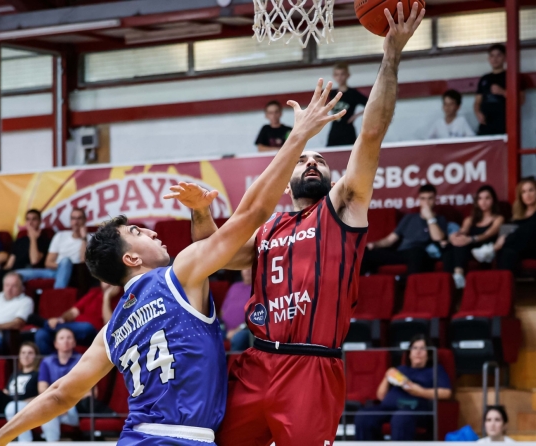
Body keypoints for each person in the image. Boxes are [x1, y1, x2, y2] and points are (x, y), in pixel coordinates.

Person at [0, 74, 346, 445]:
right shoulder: (178, 276)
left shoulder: (112, 330)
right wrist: (298, 135)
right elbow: (251, 214)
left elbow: (60, 394)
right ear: (132, 257)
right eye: (138, 233)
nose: (153, 232)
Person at [180, 6, 425, 445]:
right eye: (305, 159)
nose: (312, 162)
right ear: (288, 175)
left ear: (331, 179)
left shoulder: (343, 208)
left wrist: (391, 53)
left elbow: (371, 133)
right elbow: (211, 256)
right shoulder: (267, 229)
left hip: (312, 368)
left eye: (320, 160)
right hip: (255, 364)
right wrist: (200, 212)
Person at [354, 334, 452, 441]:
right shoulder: (401, 369)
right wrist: (386, 377)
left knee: (401, 417)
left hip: (414, 410)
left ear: (428, 354)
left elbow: (446, 393)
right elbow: (381, 396)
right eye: (414, 348)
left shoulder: (435, 370)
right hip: (388, 408)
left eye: (422, 348)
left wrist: (420, 392)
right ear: (409, 354)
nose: (418, 352)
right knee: (363, 415)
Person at [362, 184, 448, 275]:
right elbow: (390, 240)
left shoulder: (439, 219)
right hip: (402, 253)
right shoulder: (409, 218)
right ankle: (366, 279)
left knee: (417, 252)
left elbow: (438, 238)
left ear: (435, 199)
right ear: (419, 200)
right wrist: (374, 245)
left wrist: (430, 218)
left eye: (430, 198)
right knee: (365, 252)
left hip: (420, 253)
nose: (426, 202)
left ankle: (409, 283)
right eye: (423, 198)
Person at [442, 185, 504, 288]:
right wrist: (453, 236)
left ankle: (457, 277)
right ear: (476, 201)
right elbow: (463, 231)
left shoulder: (498, 218)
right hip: (471, 249)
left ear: (493, 200)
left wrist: (471, 239)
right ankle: (453, 279)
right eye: (480, 198)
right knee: (454, 246)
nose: (483, 201)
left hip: (486, 249)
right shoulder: (469, 219)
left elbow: (488, 234)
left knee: (463, 243)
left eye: (487, 198)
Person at [35, 281, 120, 355]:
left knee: (87, 327)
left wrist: (106, 298)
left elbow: (109, 326)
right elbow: (74, 311)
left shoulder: (122, 298)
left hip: (94, 334)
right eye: (104, 280)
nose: (107, 284)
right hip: (75, 330)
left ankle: (44, 324)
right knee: (41, 334)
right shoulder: (94, 293)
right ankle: (52, 364)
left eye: (110, 280)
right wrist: (60, 320)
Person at [15, 208, 89, 289]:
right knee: (15, 274)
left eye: (79, 218)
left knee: (66, 261)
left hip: (76, 272)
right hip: (55, 271)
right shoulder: (60, 235)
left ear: (85, 220)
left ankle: (57, 294)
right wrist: (63, 268)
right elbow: (48, 263)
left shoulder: (92, 238)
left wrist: (84, 238)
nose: (76, 222)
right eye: (73, 218)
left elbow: (84, 262)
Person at [0, 209, 50, 292]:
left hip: (29, 271)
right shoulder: (20, 241)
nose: (30, 222)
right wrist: (1, 271)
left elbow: (34, 260)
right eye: (28, 219)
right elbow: (9, 264)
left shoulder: (44, 240)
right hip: (14, 270)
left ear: (40, 222)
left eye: (34, 219)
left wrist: (33, 238)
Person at [474, 44, 522, 136]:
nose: (495, 59)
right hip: (486, 126)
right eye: (492, 56)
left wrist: (503, 92)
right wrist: (478, 113)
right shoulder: (484, 79)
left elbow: (521, 100)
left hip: (505, 126)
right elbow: (477, 102)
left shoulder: (512, 77)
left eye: (498, 55)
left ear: (505, 58)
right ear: (489, 59)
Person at [495, 178, 536, 272]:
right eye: (524, 192)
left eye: (531, 190)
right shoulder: (518, 214)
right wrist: (502, 237)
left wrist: (505, 239)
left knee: (527, 228)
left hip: (533, 245)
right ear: (520, 196)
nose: (528, 195)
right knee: (506, 252)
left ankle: (491, 249)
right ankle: (505, 283)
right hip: (518, 248)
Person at [327, 62, 368, 146]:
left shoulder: (353, 93)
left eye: (342, 74)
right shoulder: (332, 93)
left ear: (347, 75)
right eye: (337, 74)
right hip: (334, 130)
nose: (339, 77)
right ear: (334, 76)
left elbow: (370, 105)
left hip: (348, 130)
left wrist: (355, 116)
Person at [222, 268, 253, 352]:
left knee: (238, 339)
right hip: (225, 328)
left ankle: (233, 364)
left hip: (246, 330)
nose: (247, 270)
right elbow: (223, 310)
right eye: (245, 268)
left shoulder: (257, 288)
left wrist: (237, 330)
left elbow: (255, 316)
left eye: (251, 268)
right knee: (208, 336)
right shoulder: (234, 286)